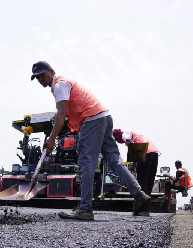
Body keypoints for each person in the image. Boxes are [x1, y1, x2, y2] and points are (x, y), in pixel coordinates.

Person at [30, 61, 151, 220]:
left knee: (87, 161)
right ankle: (139, 195)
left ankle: (85, 208)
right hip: (104, 117)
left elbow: (61, 114)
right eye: (37, 78)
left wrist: (52, 138)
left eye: (42, 75)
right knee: (115, 161)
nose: (40, 79)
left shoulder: (59, 85)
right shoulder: (65, 83)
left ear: (51, 71)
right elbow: (66, 111)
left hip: (92, 120)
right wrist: (61, 116)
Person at [112, 129, 160, 195]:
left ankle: (142, 199)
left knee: (142, 179)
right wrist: (135, 162)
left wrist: (130, 161)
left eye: (117, 140)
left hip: (144, 151)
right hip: (154, 153)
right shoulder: (136, 135)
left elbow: (130, 143)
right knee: (150, 179)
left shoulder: (124, 134)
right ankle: (147, 198)